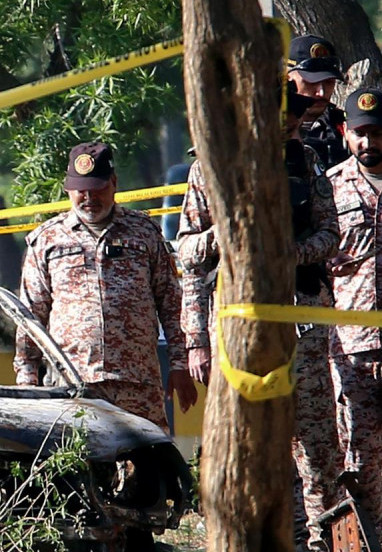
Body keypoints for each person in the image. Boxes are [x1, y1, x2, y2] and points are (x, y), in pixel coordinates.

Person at [178, 85, 343, 551]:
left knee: (316, 446)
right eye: (280, 125)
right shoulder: (209, 170)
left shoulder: (305, 162)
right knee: (253, 446)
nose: (289, 132)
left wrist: (289, 254)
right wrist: (196, 339)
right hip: (238, 329)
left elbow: (331, 233)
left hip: (302, 320)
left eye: (293, 125)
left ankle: (323, 540)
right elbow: (188, 256)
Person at [14, 142, 197, 433]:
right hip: (73, 383)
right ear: (68, 190)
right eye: (81, 191)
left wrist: (180, 364)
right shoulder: (47, 241)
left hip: (137, 382)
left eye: (97, 189)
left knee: (148, 467)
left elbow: (172, 303)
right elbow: (31, 316)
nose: (89, 198)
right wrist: (27, 379)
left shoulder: (144, 232)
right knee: (82, 468)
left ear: (114, 184)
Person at [325, 87, 382, 534]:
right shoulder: (328, 188)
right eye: (360, 133)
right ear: (345, 133)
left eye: (377, 132)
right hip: (353, 349)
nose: (369, 142)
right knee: (361, 459)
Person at [287, 34, 349, 169]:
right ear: (287, 78)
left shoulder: (347, 127)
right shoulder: (271, 127)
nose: (321, 92)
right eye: (311, 82)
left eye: (328, 82)